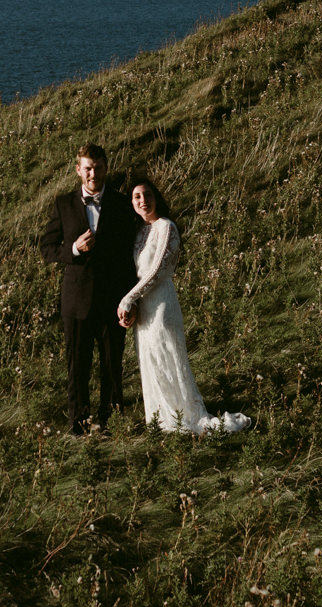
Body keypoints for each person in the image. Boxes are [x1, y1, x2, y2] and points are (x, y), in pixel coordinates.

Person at [116, 180, 251, 435]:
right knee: (152, 360)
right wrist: (133, 304)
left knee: (169, 358)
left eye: (147, 195)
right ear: (132, 204)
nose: (143, 200)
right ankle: (162, 420)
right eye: (136, 197)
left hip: (162, 302)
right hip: (144, 307)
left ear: (156, 197)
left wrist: (128, 298)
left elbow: (156, 271)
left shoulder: (167, 227)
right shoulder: (139, 232)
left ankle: (184, 418)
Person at [38, 144, 139, 434]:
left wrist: (131, 300)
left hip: (113, 300)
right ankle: (79, 423)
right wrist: (74, 249)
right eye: (87, 168)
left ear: (106, 167)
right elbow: (46, 248)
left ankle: (110, 422)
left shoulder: (121, 204)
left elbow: (128, 256)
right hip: (76, 301)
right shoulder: (63, 204)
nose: (93, 173)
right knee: (77, 366)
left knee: (112, 366)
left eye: (97, 167)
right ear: (78, 170)